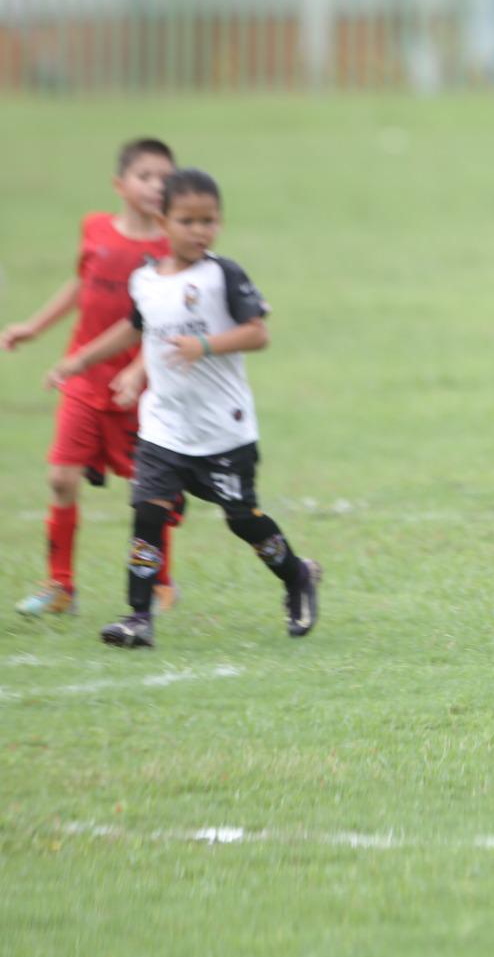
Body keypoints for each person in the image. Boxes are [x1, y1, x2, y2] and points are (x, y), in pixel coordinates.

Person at [46, 169, 320, 648]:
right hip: (163, 428)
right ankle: (138, 617)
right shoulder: (146, 279)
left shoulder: (223, 275)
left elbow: (258, 333)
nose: (200, 230)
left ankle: (297, 575)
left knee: (242, 519)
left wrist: (205, 345)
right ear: (162, 220)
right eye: (188, 220)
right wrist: (81, 360)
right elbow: (135, 329)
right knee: (147, 513)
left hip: (223, 430)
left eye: (209, 220)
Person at [3, 137, 183, 618]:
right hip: (82, 376)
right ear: (119, 184)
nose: (155, 185)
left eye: (165, 177)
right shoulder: (96, 229)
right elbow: (82, 285)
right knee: (61, 477)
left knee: (150, 489)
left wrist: (136, 368)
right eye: (145, 176)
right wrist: (33, 327)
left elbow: (167, 325)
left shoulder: (172, 248)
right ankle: (60, 586)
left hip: (142, 387)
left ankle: (160, 580)